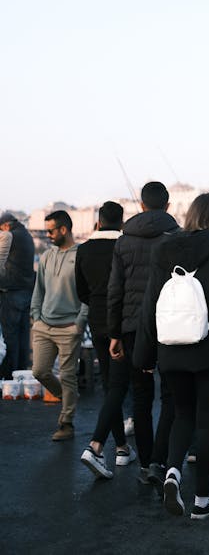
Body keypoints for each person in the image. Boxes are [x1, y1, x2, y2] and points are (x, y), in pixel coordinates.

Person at [134, 193, 209, 520]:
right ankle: (201, 501)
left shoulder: (163, 251)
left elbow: (150, 308)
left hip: (171, 349)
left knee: (181, 414)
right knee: (207, 421)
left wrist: (144, 356)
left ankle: (172, 472)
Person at [80, 182, 180, 482]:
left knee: (140, 397)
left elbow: (115, 291)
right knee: (172, 396)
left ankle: (146, 463)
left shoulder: (124, 241)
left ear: (141, 206)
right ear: (168, 205)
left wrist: (114, 333)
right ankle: (163, 461)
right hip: (169, 328)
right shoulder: (177, 238)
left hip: (133, 330)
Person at [76, 201, 136, 472]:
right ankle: (97, 446)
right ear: (122, 223)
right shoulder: (126, 246)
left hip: (97, 319)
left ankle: (122, 446)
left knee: (111, 385)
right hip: (122, 321)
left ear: (98, 222)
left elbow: (81, 290)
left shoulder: (85, 249)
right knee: (118, 385)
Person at [30, 210, 87, 441]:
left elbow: (88, 293)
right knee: (39, 371)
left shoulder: (81, 255)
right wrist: (36, 318)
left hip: (69, 327)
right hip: (44, 325)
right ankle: (68, 398)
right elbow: (39, 290)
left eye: (51, 230)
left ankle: (66, 423)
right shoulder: (46, 256)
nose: (47, 234)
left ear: (64, 230)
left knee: (68, 375)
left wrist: (79, 323)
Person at [0, 212, 35, 379]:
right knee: (23, 335)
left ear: (6, 226)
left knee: (10, 337)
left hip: (11, 291)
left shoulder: (10, 236)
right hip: (27, 291)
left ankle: (9, 375)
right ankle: (22, 372)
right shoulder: (26, 235)